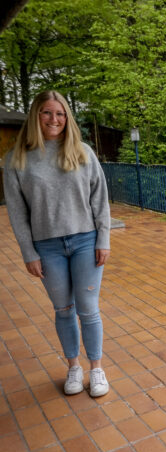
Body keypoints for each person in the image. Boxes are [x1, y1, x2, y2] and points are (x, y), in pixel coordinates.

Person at [3, 90, 112, 397]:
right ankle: (74, 367)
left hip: (85, 241)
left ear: (67, 117)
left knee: (88, 310)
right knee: (63, 310)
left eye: (60, 113)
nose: (54, 119)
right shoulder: (16, 159)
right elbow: (17, 212)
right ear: (36, 116)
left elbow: (99, 200)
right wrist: (29, 253)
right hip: (47, 247)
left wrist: (103, 239)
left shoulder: (82, 152)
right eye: (47, 113)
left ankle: (96, 369)